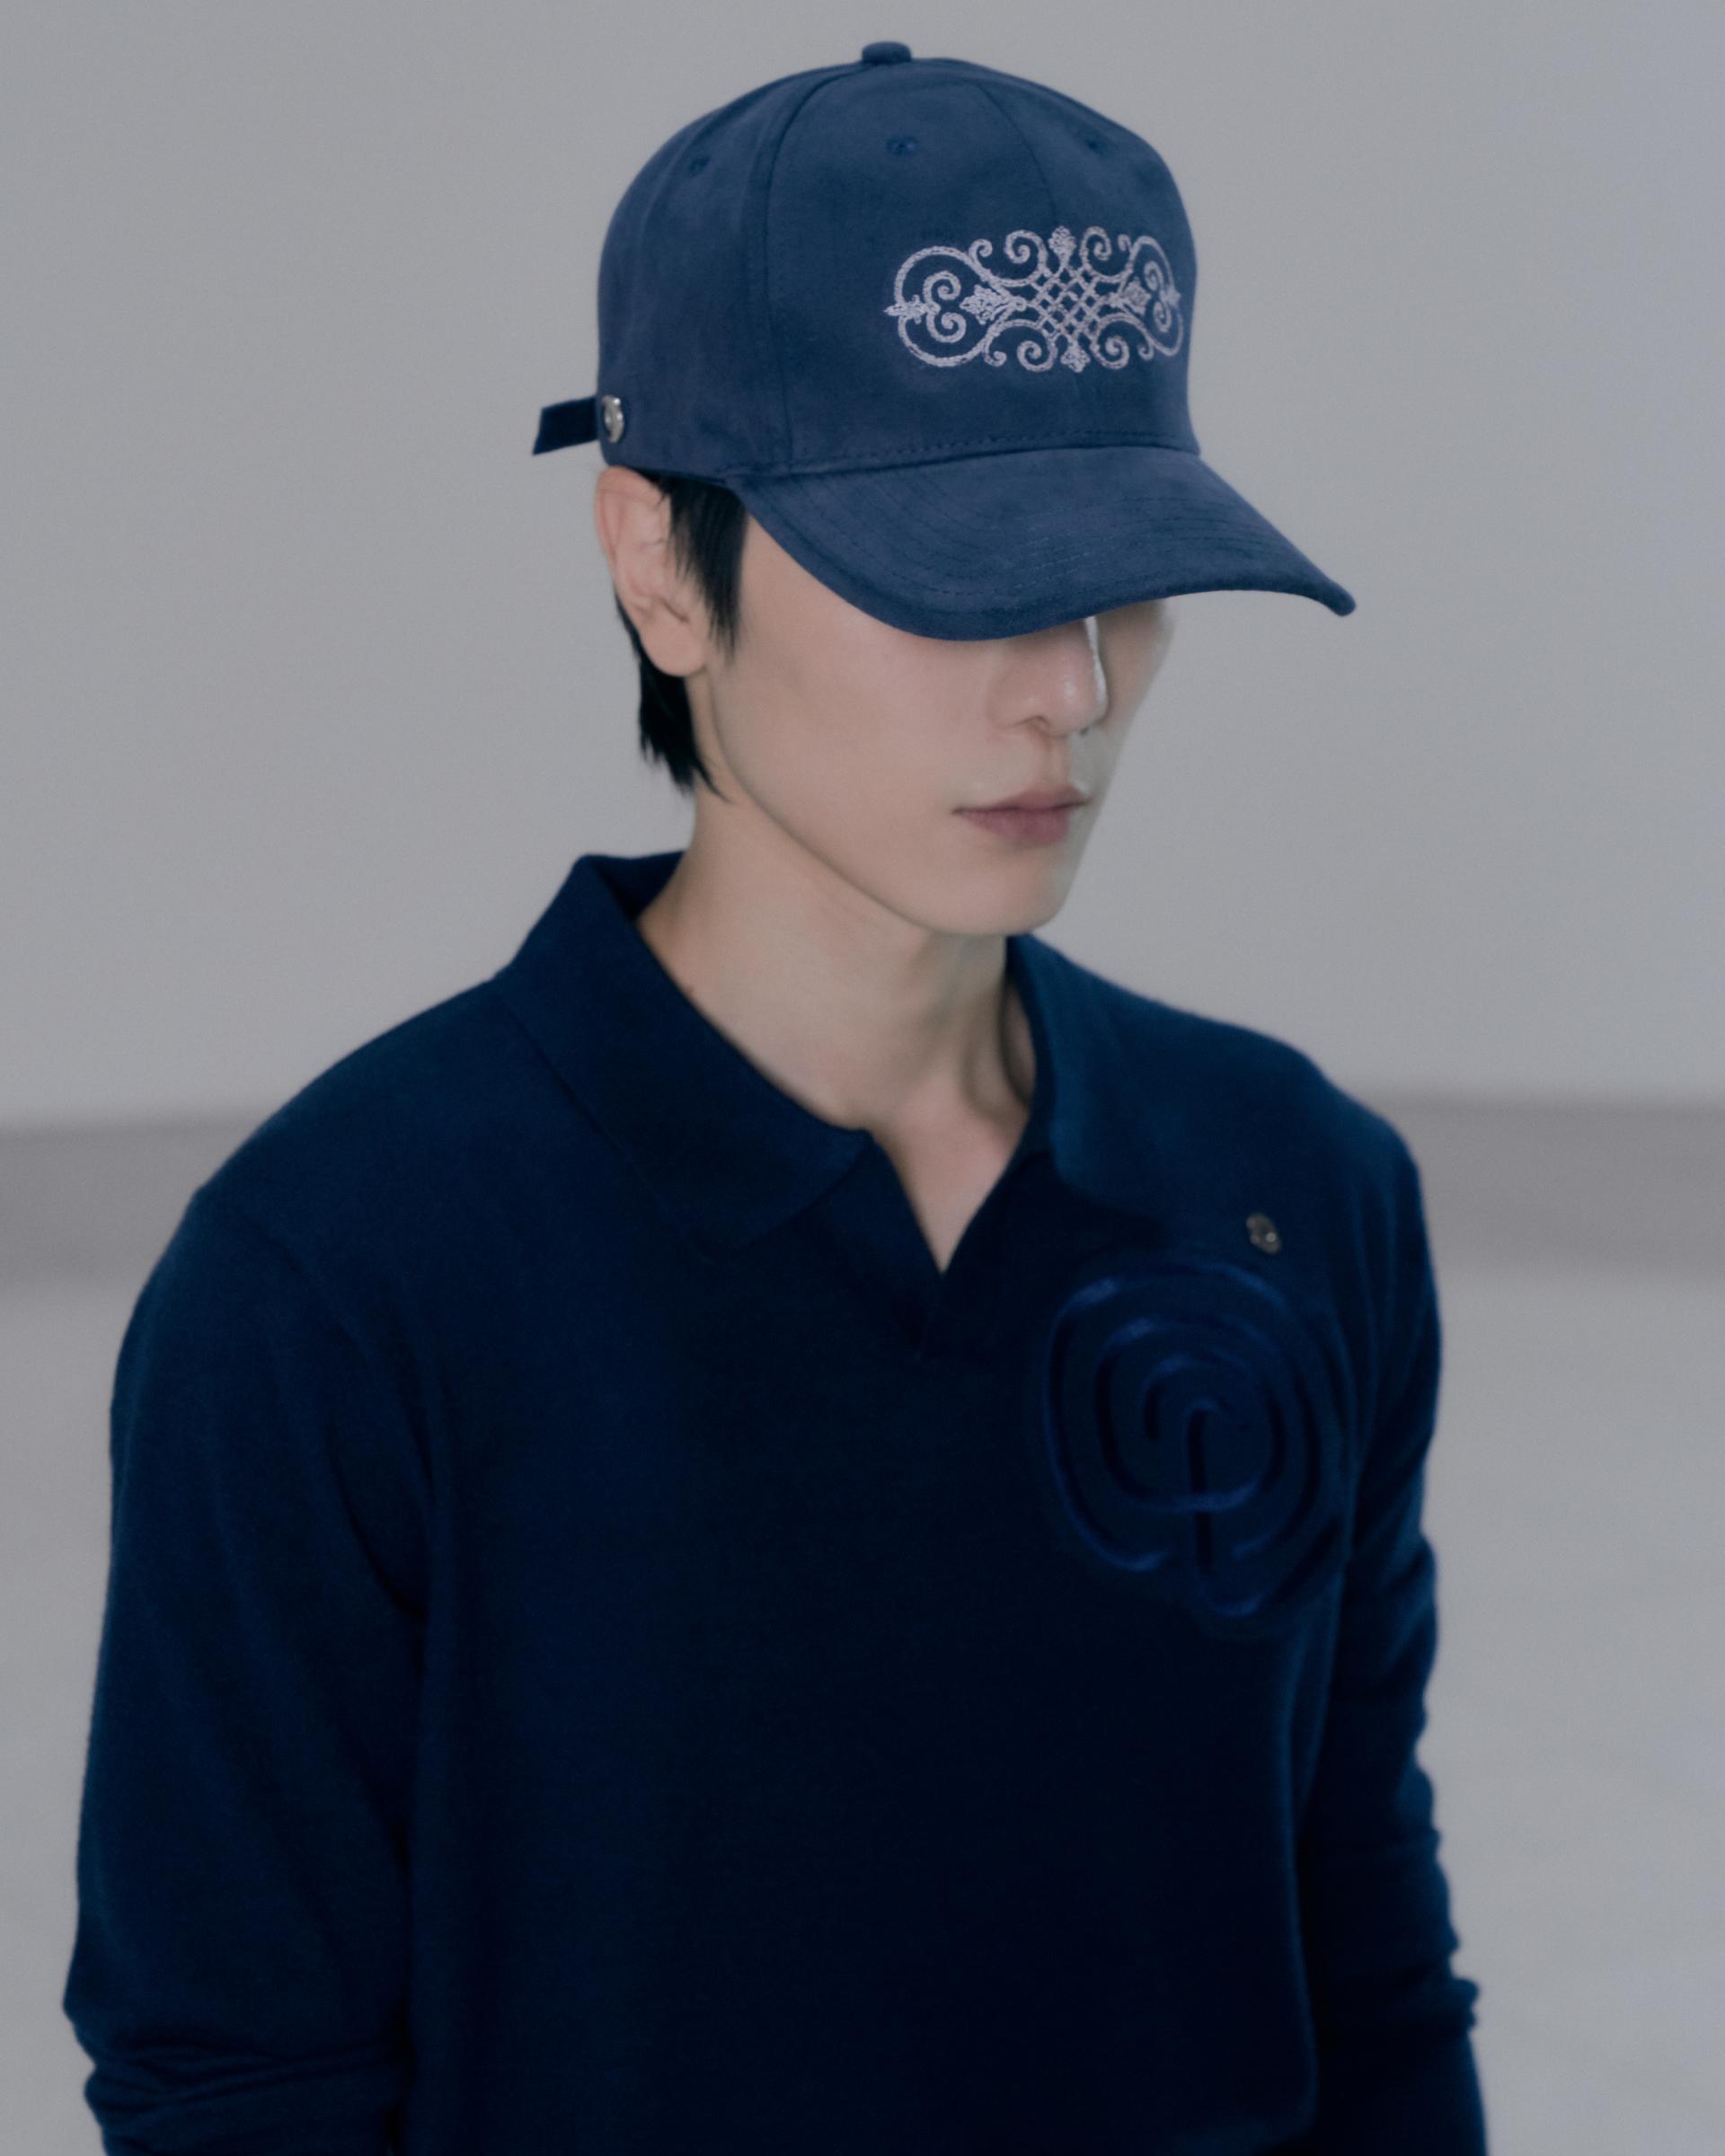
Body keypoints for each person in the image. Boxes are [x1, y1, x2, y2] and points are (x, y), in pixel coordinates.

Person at [60, 41, 1488, 2156]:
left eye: (1122, 573)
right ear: (658, 561)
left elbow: (1360, 1948)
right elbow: (236, 2077)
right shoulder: (341, 1284)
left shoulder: (1298, 1186)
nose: (1071, 688)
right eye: (953, 576)